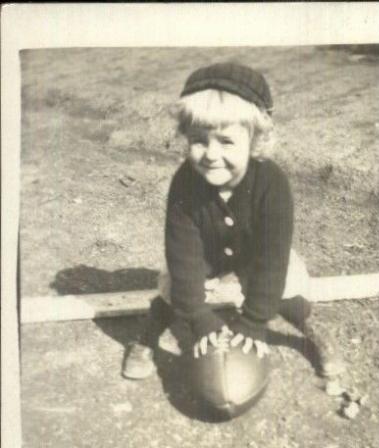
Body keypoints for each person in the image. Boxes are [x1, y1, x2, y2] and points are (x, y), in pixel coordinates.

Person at [122, 61, 341, 381]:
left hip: (255, 259)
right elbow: (183, 254)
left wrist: (252, 322)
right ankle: (147, 335)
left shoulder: (272, 183)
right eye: (199, 140)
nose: (211, 154)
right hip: (205, 259)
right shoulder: (184, 182)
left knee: (287, 285)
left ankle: (311, 327)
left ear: (254, 141)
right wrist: (199, 318)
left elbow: (272, 258)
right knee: (174, 284)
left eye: (226, 142)